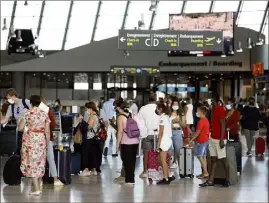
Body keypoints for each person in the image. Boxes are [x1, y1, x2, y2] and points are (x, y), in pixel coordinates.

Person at [18, 95, 51, 196]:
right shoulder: (44, 114)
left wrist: (22, 123)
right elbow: (47, 131)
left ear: (31, 103)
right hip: (41, 139)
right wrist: (47, 143)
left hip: (30, 140)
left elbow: (20, 128)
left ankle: (36, 189)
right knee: (39, 163)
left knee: (31, 163)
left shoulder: (27, 113)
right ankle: (37, 186)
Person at [199, 97, 230, 187]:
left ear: (213, 100)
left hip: (219, 139)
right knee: (213, 160)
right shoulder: (212, 110)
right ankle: (210, 181)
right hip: (212, 137)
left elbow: (223, 124)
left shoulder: (219, 109)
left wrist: (221, 139)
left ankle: (227, 180)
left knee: (223, 159)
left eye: (209, 100)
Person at [39, 97, 64, 186]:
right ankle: (55, 180)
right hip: (46, 137)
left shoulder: (31, 111)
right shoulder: (46, 110)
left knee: (38, 160)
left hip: (35, 139)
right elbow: (52, 124)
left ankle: (39, 180)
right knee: (50, 159)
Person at [115, 101, 139, 185]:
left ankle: (129, 180)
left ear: (119, 108)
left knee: (126, 161)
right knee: (132, 161)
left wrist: (117, 144)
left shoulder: (120, 117)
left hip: (126, 142)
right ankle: (131, 179)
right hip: (135, 141)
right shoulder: (132, 115)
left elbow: (120, 132)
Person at [138, 93, 160, 178]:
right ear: (155, 99)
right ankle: (158, 169)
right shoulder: (159, 108)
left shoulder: (143, 108)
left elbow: (139, 121)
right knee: (158, 152)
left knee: (146, 153)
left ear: (148, 99)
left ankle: (145, 171)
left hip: (146, 133)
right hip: (157, 134)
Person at [79, 102, 102, 176]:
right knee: (92, 154)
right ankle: (94, 169)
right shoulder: (96, 116)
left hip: (88, 137)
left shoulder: (92, 116)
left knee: (86, 153)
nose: (86, 110)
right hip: (93, 137)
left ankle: (86, 170)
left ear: (90, 108)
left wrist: (81, 121)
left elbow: (88, 127)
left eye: (87, 108)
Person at [187, 106, 210, 179]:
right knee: (202, 157)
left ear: (201, 112)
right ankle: (204, 172)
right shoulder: (205, 120)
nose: (196, 113)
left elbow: (197, 133)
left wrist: (191, 140)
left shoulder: (201, 121)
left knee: (200, 156)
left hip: (202, 141)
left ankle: (205, 172)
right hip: (204, 140)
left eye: (197, 111)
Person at [155, 102, 173, 185]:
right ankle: (168, 175)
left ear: (160, 109)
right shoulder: (167, 117)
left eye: (157, 108)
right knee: (160, 160)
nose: (157, 110)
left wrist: (158, 145)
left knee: (163, 160)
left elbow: (161, 132)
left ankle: (166, 178)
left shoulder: (162, 118)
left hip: (164, 141)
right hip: (167, 140)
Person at [169, 98, 186, 169]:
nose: (175, 105)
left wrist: (179, 121)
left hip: (177, 132)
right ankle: (170, 164)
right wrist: (171, 122)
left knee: (178, 150)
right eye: (174, 104)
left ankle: (181, 167)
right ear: (171, 105)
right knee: (168, 150)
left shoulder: (181, 114)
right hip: (168, 132)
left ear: (179, 105)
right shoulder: (168, 113)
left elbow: (184, 125)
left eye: (176, 104)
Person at [102, 92, 117, 157]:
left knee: (107, 136)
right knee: (114, 137)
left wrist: (104, 122)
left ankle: (106, 147)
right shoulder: (115, 103)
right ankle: (114, 152)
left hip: (107, 122)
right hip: (114, 122)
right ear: (114, 97)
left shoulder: (105, 104)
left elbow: (102, 113)